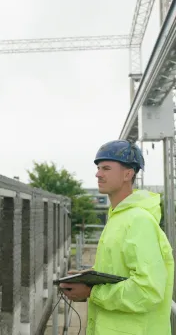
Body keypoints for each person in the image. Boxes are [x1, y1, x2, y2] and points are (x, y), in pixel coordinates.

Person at [60, 140, 174, 334]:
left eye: (106, 168)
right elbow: (121, 270)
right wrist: (89, 277)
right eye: (97, 168)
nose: (98, 173)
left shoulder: (139, 221)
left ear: (127, 174)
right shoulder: (118, 218)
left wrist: (92, 292)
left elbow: (147, 290)